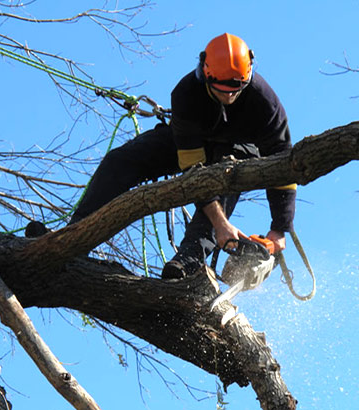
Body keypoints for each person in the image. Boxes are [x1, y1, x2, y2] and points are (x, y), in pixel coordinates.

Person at [29, 33, 296, 280]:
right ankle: (72, 238)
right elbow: (195, 175)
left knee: (225, 177)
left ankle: (187, 261)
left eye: (236, 90)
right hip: (190, 142)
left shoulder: (265, 104)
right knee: (120, 161)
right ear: (206, 74)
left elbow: (284, 162)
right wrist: (221, 225)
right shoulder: (186, 94)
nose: (229, 96)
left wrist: (279, 228)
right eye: (222, 90)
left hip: (238, 150)